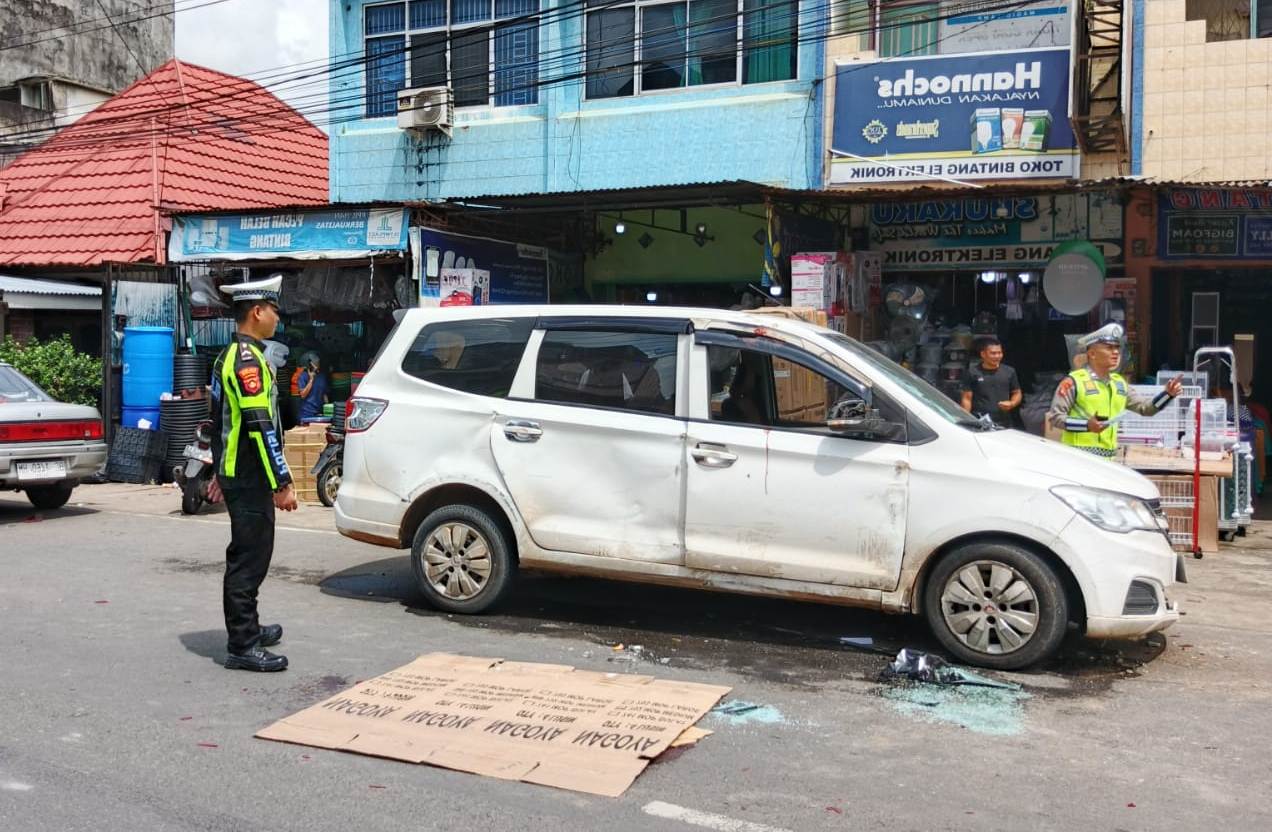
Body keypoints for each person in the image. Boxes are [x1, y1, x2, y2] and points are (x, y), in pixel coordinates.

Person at [210, 275, 298, 672]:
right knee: (249, 558)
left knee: (253, 554)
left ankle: (251, 628)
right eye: (274, 309)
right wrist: (281, 482)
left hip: (237, 471)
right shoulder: (248, 362)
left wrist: (216, 469)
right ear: (257, 312)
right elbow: (259, 427)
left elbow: (218, 422)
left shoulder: (231, 356)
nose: (278, 317)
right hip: (249, 474)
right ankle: (242, 646)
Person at [1048, 323, 1183, 458]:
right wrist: (1086, 425)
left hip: (1109, 462)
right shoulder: (1074, 382)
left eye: (1117, 348)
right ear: (1092, 354)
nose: (1116, 352)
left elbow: (1145, 408)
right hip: (1079, 459)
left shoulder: (1119, 383)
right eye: (1109, 348)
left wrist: (1167, 395)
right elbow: (1055, 417)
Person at [961, 337, 1021, 428]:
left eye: (999, 353)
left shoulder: (1009, 371)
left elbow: (1017, 392)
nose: (997, 356)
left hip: (1004, 421)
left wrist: (1012, 403)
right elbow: (966, 398)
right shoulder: (972, 372)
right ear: (983, 354)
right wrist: (966, 421)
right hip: (980, 421)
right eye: (993, 353)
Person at [296, 351, 328, 422]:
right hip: (306, 414)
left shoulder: (322, 376)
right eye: (316, 363)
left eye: (318, 362)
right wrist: (311, 380)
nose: (317, 364)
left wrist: (327, 409)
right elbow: (303, 395)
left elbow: (324, 394)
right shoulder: (303, 376)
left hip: (319, 413)